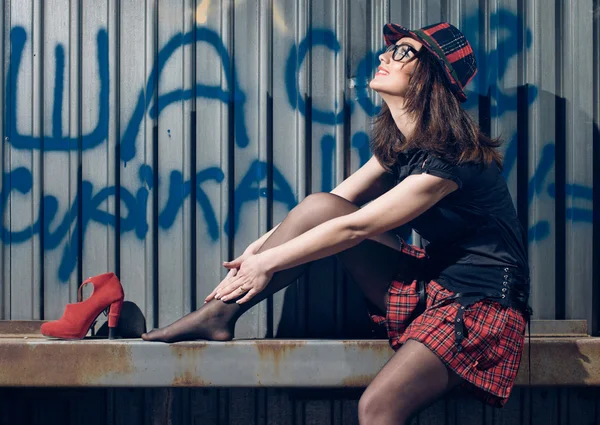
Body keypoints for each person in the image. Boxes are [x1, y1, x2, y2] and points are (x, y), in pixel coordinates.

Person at [142, 22, 530, 424]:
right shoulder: (401, 146)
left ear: (430, 75)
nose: (384, 56)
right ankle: (221, 315)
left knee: (378, 407)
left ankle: (219, 315)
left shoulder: (451, 159)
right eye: (389, 49)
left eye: (402, 52)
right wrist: (258, 249)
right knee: (319, 206)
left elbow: (355, 227)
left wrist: (266, 264)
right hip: (433, 283)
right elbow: (329, 207)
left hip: (481, 306)